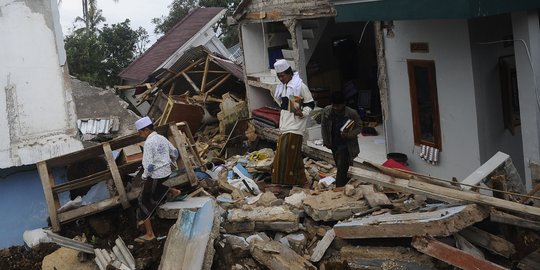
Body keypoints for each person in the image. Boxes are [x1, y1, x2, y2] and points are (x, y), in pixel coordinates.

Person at [134, 116, 182, 242]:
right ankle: (174, 191)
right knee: (161, 187)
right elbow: (175, 152)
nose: (140, 135)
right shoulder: (162, 138)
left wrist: (144, 177)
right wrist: (169, 161)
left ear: (146, 130)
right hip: (166, 172)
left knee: (143, 202)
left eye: (140, 132)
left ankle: (150, 234)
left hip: (156, 175)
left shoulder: (149, 143)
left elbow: (149, 166)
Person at [271, 59, 315, 186]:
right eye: (278, 76)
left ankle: (283, 183)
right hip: (285, 125)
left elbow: (310, 103)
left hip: (295, 126)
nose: (280, 78)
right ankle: (302, 181)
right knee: (293, 156)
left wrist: (303, 112)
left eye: (282, 75)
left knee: (284, 156)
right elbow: (284, 106)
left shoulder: (300, 86)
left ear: (289, 73)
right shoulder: (282, 87)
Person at [321, 91, 361, 187]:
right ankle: (347, 183)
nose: (336, 108)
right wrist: (326, 141)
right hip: (334, 143)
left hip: (346, 144)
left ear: (344, 104)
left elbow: (359, 127)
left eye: (338, 106)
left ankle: (339, 187)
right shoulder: (327, 111)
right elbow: (323, 126)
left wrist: (349, 135)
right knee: (340, 164)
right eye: (334, 105)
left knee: (342, 165)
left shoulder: (352, 113)